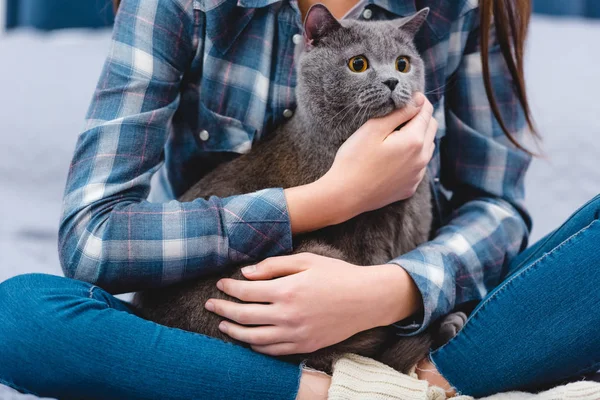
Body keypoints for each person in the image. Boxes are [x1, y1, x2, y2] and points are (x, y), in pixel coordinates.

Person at [0, 0, 598, 398]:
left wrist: (391, 290)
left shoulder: (455, 7)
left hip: (403, 326)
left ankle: (402, 381)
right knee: (18, 315)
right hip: (240, 331)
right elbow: (92, 237)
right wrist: (327, 200)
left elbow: (495, 205)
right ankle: (342, 393)